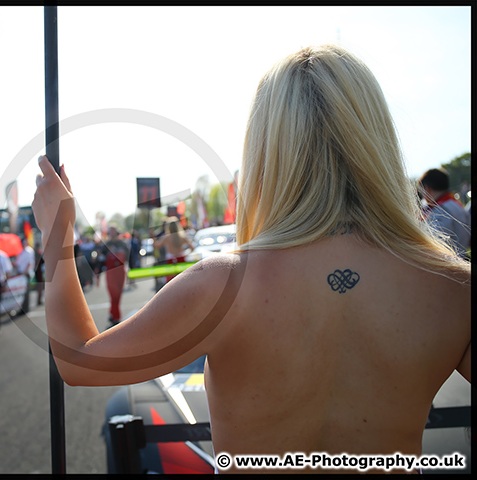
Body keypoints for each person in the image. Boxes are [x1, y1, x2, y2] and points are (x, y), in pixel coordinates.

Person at [32, 44, 471, 474]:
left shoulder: (222, 285)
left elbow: (79, 362)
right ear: (378, 141)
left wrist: (57, 237)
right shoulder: (454, 290)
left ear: (265, 150)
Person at [418, 168, 471, 259]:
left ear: (427, 188)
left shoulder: (441, 210)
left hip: (447, 263)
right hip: (461, 258)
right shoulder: (456, 205)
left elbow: (435, 243)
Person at [98, 225, 131, 325]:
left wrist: (132, 270)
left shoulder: (123, 244)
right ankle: (116, 316)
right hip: (110, 272)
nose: (112, 235)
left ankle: (113, 313)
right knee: (114, 294)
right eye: (110, 233)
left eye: (114, 232)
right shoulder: (105, 245)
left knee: (119, 294)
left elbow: (130, 257)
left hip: (121, 272)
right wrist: (97, 274)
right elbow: (100, 260)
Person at [152, 216, 195, 284]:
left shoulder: (166, 237)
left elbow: (156, 246)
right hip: (181, 259)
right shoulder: (182, 236)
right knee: (184, 281)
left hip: (171, 261)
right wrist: (186, 254)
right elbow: (192, 248)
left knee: (171, 283)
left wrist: (153, 237)